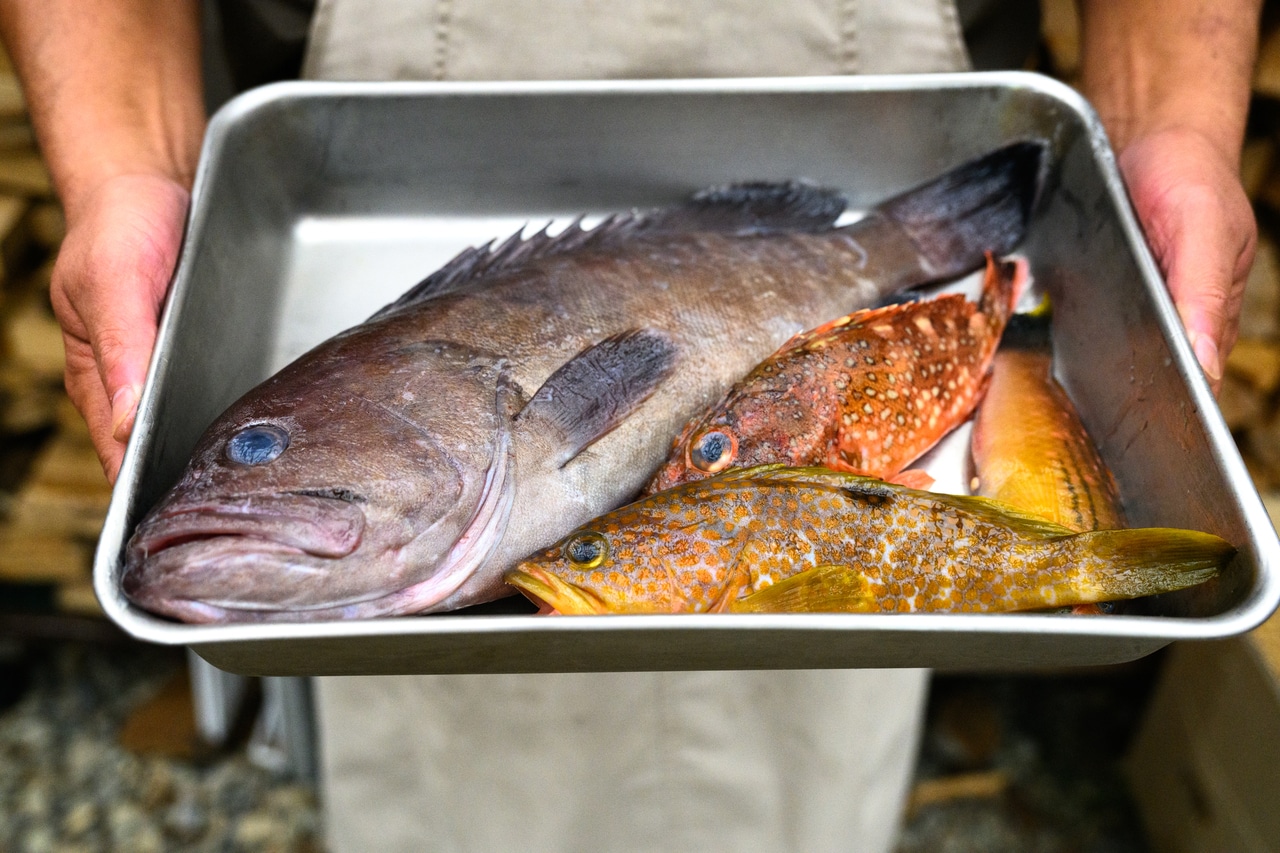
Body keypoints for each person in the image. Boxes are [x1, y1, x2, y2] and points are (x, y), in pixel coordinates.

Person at [0, 1, 1262, 851]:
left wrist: (1174, 126)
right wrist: (120, 171)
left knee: (798, 723)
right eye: (249, 449)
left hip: (866, 80)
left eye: (255, 445)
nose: (238, 472)